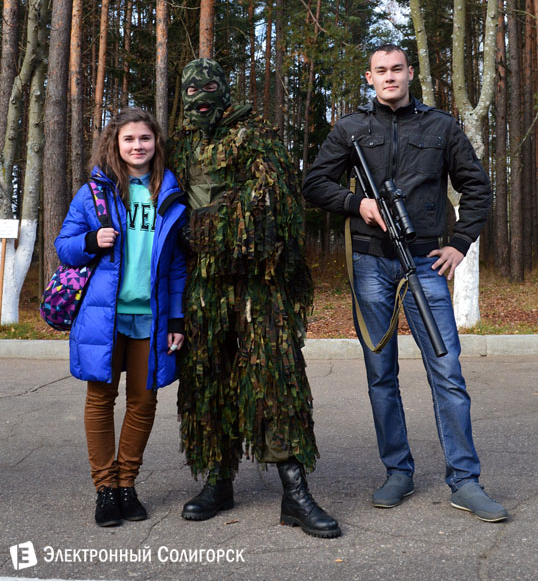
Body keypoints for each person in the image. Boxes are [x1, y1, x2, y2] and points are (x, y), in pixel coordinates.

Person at [303, 43, 507, 522]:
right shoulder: (350, 128)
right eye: (381, 70)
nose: (390, 76)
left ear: (410, 73)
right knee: (381, 373)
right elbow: (314, 183)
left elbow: (477, 187)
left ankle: (465, 480)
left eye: (397, 69)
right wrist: (357, 204)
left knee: (447, 371)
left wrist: (460, 243)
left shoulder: (441, 127)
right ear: (369, 77)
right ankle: (398, 471)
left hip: (425, 261)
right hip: (370, 263)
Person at [168, 58, 341, 539]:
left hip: (258, 287)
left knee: (275, 380)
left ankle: (295, 492)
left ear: (224, 91)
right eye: (191, 91)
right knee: (208, 383)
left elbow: (273, 205)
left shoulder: (254, 136)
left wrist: (200, 227)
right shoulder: (179, 145)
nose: (200, 98)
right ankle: (218, 481)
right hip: (202, 289)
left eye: (208, 88)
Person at [55, 108, 187, 527]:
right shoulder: (94, 193)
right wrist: (92, 239)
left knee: (144, 401)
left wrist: (177, 320)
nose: (137, 146)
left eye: (144, 138)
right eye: (128, 139)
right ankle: (105, 488)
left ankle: (127, 484)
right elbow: (64, 246)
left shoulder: (170, 193)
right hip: (104, 315)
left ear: (156, 143)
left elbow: (177, 265)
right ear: (115, 143)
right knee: (101, 398)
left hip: (152, 315)